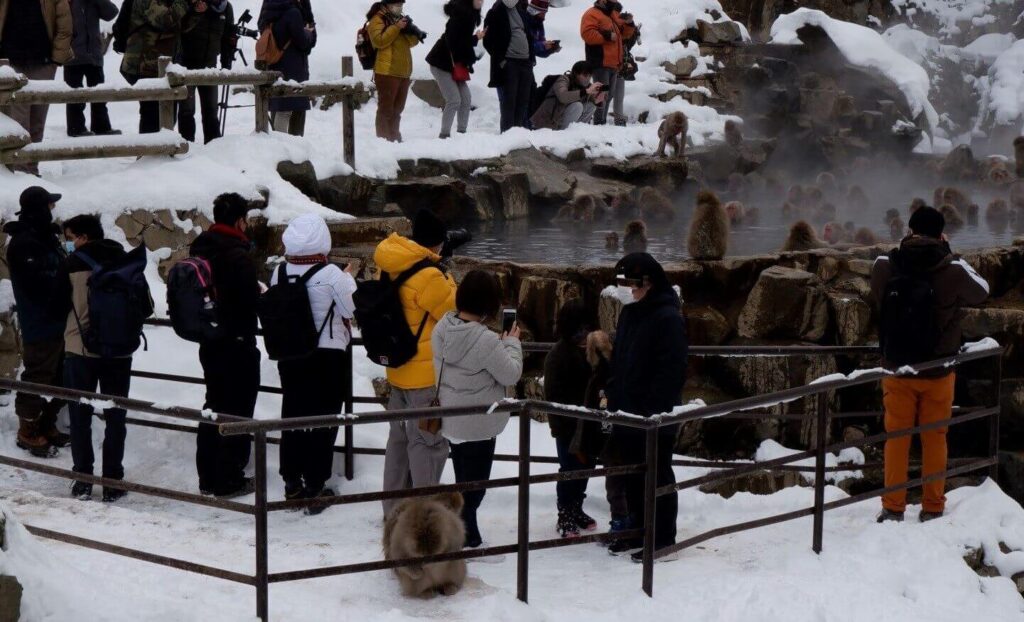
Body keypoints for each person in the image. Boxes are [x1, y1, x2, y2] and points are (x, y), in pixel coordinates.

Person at [870, 206, 989, 523]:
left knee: (897, 438)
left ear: (909, 232)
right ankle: (932, 506)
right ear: (941, 234)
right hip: (938, 370)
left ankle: (893, 507)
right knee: (935, 438)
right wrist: (951, 253)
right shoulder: (952, 269)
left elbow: (877, 293)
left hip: (897, 367)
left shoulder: (886, 265)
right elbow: (982, 291)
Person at [270, 215, 357, 513]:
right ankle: (315, 485)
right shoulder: (331, 273)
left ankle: (291, 483)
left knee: (292, 417)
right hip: (326, 356)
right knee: (324, 419)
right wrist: (348, 279)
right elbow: (348, 308)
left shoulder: (279, 272)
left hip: (291, 355)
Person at [605, 252, 687, 563]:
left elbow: (672, 370)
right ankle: (638, 530)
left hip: (653, 414)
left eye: (629, 283)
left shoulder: (667, 317)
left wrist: (653, 409)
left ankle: (663, 539)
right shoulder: (630, 312)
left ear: (648, 283)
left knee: (657, 473)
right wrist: (613, 393)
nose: (624, 288)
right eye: (620, 283)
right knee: (632, 475)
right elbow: (619, 357)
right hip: (626, 411)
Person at [375, 209, 457, 518]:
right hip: (425, 380)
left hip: (398, 370)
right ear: (436, 244)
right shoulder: (429, 276)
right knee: (428, 444)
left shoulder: (391, 265)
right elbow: (454, 310)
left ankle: (393, 512)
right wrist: (445, 272)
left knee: (398, 441)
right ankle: (424, 515)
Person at [433, 270, 522, 547]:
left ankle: (465, 531)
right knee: (476, 487)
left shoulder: (442, 328)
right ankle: (462, 533)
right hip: (480, 425)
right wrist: (512, 343)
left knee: (464, 479)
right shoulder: (484, 340)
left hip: (452, 419)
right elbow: (511, 374)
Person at [189, 193, 261, 498]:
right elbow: (249, 302)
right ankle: (229, 478)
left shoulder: (202, 248)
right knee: (238, 410)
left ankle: (208, 475)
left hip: (210, 341)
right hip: (236, 342)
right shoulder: (237, 255)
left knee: (214, 405)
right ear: (240, 220)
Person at [60, 215, 131, 502]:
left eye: (71, 236)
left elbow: (55, 303)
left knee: (80, 414)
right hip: (119, 349)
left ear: (84, 237)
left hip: (80, 349)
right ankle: (113, 480)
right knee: (116, 414)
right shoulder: (125, 259)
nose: (69, 242)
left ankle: (83, 481)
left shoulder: (71, 264)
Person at [3, 187, 70, 458]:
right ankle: (27, 430)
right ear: (39, 209)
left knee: (59, 375)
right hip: (40, 322)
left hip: (57, 319)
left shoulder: (44, 237)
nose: (53, 210)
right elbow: (37, 282)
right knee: (38, 374)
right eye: (49, 206)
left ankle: (47, 423)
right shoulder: (23, 242)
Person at [543, 299, 601, 538]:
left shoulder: (595, 351)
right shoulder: (559, 355)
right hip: (568, 425)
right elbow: (553, 396)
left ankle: (576, 508)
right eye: (578, 330)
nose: (583, 335)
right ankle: (565, 512)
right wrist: (562, 428)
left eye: (587, 329)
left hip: (591, 423)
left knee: (586, 466)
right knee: (569, 468)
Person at [0, 0, 73, 174]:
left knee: (37, 120)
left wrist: (56, 58)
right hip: (11, 62)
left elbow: (64, 26)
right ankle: (18, 169)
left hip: (43, 62)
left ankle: (31, 167)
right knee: (18, 120)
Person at [120, 0, 191, 134]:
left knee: (169, 115)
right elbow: (165, 20)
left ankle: (162, 151)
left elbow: (183, 27)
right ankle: (147, 152)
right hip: (146, 65)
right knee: (151, 115)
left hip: (168, 65)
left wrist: (197, 11)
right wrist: (185, 3)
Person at [178, 0, 235, 143]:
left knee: (211, 111)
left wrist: (226, 63)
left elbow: (228, 36)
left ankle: (213, 149)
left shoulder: (225, 8)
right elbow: (178, 28)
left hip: (210, 67)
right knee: (187, 111)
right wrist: (193, 11)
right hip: (186, 67)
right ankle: (186, 148)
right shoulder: (191, 3)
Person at [426, 0, 484, 139]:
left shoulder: (469, 15)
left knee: (466, 98)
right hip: (441, 63)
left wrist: (474, 40)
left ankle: (461, 134)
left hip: (455, 65)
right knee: (454, 99)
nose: (481, 2)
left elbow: (461, 42)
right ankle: (444, 135)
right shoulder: (461, 15)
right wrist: (475, 39)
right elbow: (454, 43)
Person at [258, 0, 316, 136]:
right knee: (291, 112)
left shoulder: (267, 11)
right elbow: (304, 43)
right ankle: (291, 151)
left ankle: (278, 148)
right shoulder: (293, 13)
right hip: (293, 67)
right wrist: (309, 32)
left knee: (279, 108)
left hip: (274, 64)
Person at [64, 0, 120, 138]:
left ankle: (101, 126)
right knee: (74, 95)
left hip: (94, 54)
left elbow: (111, 13)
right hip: (72, 56)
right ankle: (76, 128)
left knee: (99, 93)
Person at [367, 1, 420, 142]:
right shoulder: (377, 20)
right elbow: (379, 41)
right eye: (396, 4)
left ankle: (395, 137)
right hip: (387, 72)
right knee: (386, 109)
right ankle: (383, 139)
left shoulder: (399, 19)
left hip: (403, 72)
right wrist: (396, 28)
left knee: (398, 110)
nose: (399, 7)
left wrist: (411, 30)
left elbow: (413, 42)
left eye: (401, 4)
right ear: (387, 5)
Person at [483, 0, 536, 132]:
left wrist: (531, 59)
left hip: (525, 63)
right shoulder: (496, 11)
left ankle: (516, 136)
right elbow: (488, 40)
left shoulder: (521, 10)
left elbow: (528, 36)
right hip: (509, 63)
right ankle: (507, 136)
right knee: (509, 103)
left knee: (522, 102)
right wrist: (501, 61)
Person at [580, 0, 635, 125]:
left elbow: (625, 34)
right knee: (601, 93)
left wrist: (629, 23)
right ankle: (598, 121)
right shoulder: (592, 14)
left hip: (614, 64)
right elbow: (587, 33)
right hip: (600, 62)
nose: (614, 2)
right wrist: (606, 36)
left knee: (609, 94)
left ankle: (601, 121)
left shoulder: (612, 15)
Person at [530, 60, 604, 130]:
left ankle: (577, 131)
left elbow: (593, 103)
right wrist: (586, 91)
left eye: (590, 76)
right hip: (548, 121)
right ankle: (565, 134)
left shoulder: (586, 86)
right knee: (577, 106)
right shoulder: (563, 80)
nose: (588, 78)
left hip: (560, 118)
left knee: (591, 106)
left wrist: (598, 100)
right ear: (575, 74)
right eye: (585, 75)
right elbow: (563, 97)